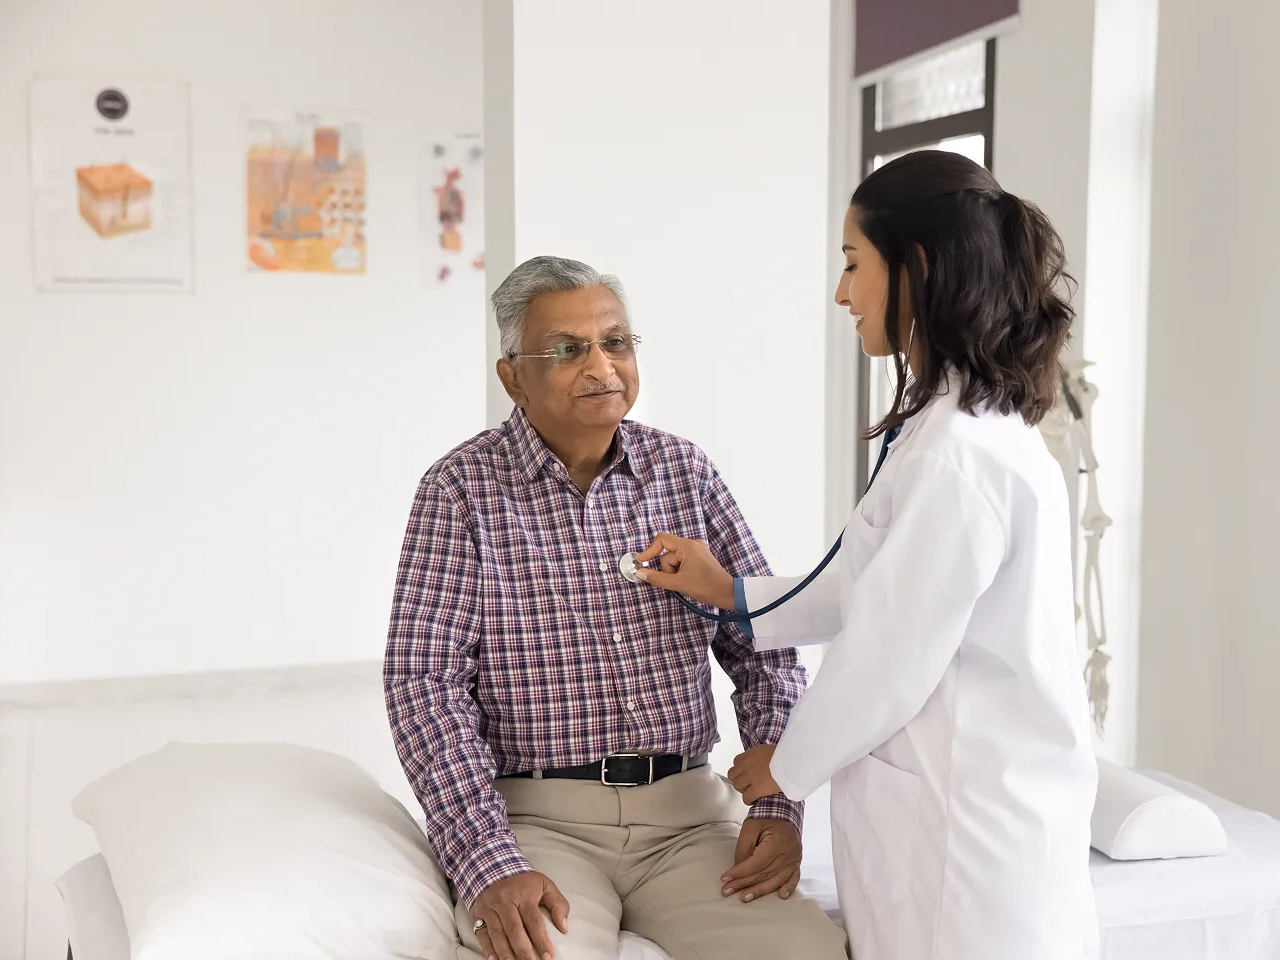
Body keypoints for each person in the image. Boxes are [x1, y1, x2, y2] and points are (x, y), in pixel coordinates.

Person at [633, 150, 1100, 960]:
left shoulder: (960, 454)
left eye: (854, 265)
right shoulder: (949, 428)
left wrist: (789, 763)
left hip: (969, 836)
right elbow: (865, 582)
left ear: (916, 268)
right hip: (949, 808)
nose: (841, 294)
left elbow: (890, 653)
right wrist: (728, 591)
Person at [383, 256, 847, 960]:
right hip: (538, 823)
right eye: (568, 349)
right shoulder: (459, 492)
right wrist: (488, 861)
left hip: (689, 816)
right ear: (512, 375)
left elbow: (765, 646)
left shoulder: (684, 472)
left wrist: (780, 806)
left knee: (810, 952)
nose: (601, 365)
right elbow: (424, 686)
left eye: (617, 342)